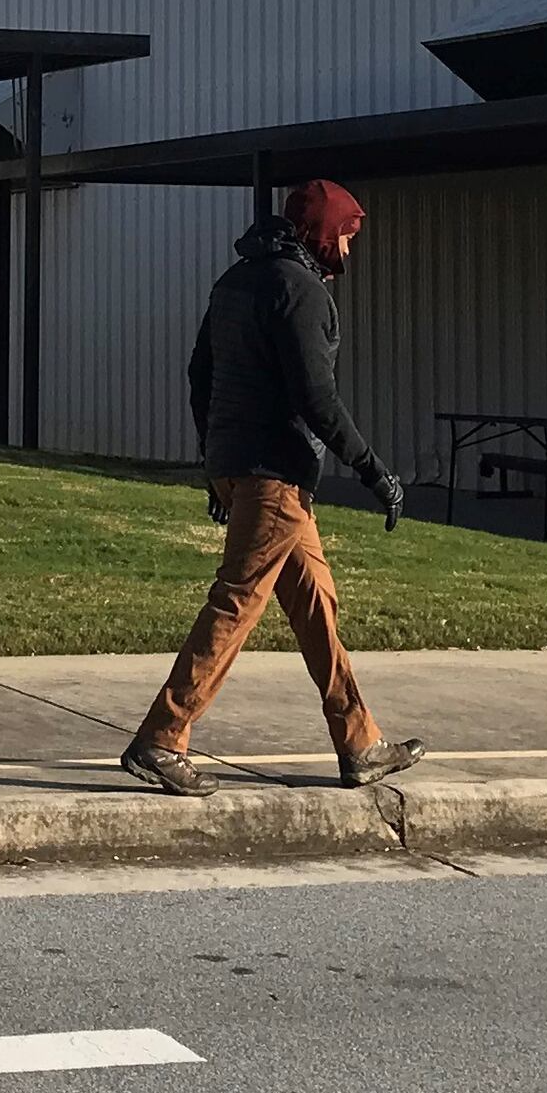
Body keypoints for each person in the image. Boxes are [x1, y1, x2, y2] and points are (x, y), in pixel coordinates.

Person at [123, 179, 426, 797]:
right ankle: (162, 736)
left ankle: (360, 742)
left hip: (240, 466)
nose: (349, 246)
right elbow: (315, 397)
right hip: (275, 473)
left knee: (317, 606)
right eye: (346, 232)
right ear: (322, 231)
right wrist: (374, 470)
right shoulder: (302, 291)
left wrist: (215, 460)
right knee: (236, 604)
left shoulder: (235, 281)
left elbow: (199, 373)